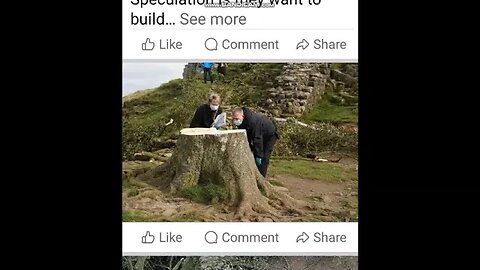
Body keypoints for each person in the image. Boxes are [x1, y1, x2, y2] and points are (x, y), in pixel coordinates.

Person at [232, 107, 279, 177]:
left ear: (243, 116)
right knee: (254, 155)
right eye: (234, 119)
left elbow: (257, 138)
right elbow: (246, 136)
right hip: (259, 134)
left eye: (237, 119)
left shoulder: (253, 121)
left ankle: (262, 178)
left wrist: (259, 155)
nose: (235, 121)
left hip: (269, 135)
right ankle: (253, 175)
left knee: (264, 157)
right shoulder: (242, 122)